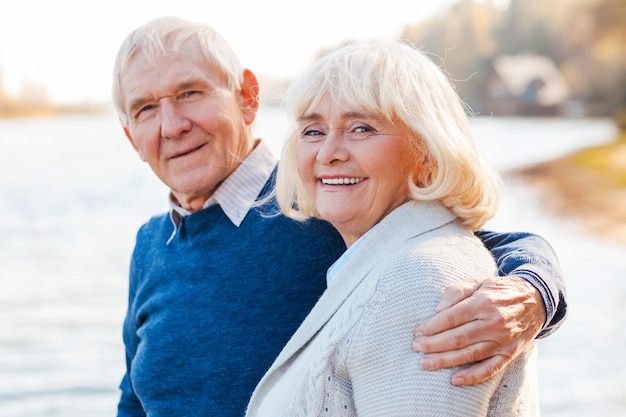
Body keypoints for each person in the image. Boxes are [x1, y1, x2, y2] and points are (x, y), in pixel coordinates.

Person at [111, 16, 565, 417]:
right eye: (146, 108)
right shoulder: (152, 245)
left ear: (248, 97)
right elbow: (134, 400)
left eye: (189, 93)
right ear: (132, 137)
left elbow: (456, 243)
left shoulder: (321, 199)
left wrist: (535, 290)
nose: (171, 125)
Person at [247, 41, 540, 416]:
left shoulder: (421, 281)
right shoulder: (388, 256)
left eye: (361, 128)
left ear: (427, 150)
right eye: (313, 131)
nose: (328, 153)